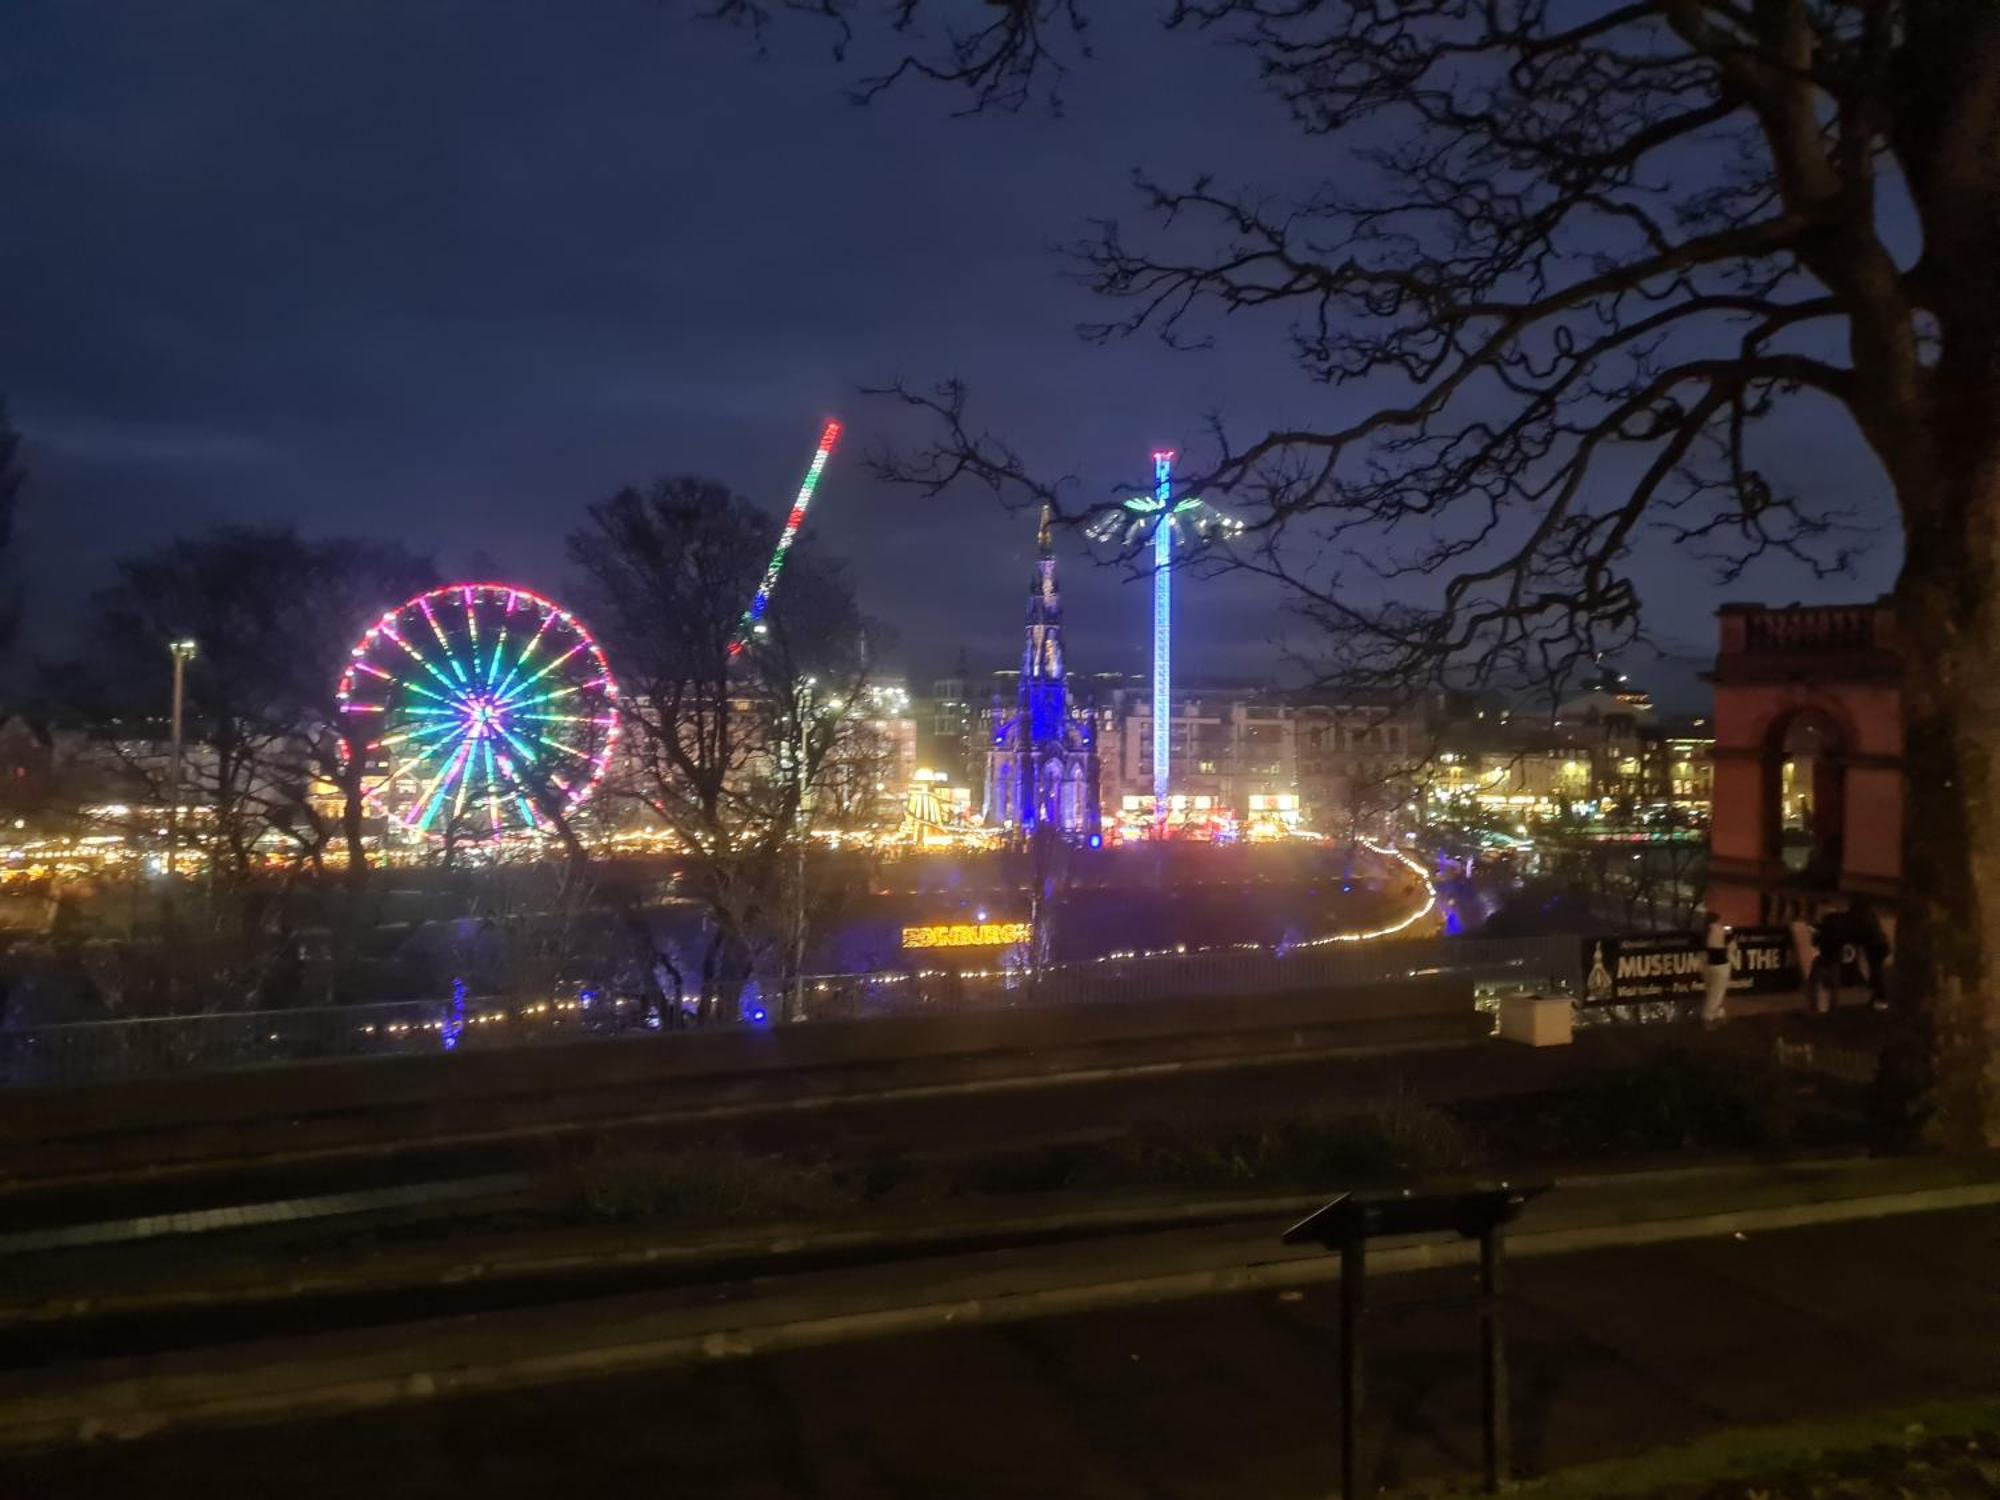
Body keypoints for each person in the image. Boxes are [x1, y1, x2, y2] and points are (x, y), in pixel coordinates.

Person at [1701, 910, 1733, 1027]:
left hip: (1707, 965)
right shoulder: (1722, 929)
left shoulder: (1703, 932)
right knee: (1717, 994)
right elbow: (1731, 942)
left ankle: (1718, 1015)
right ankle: (1708, 1019)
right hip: (1721, 964)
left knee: (1711, 992)